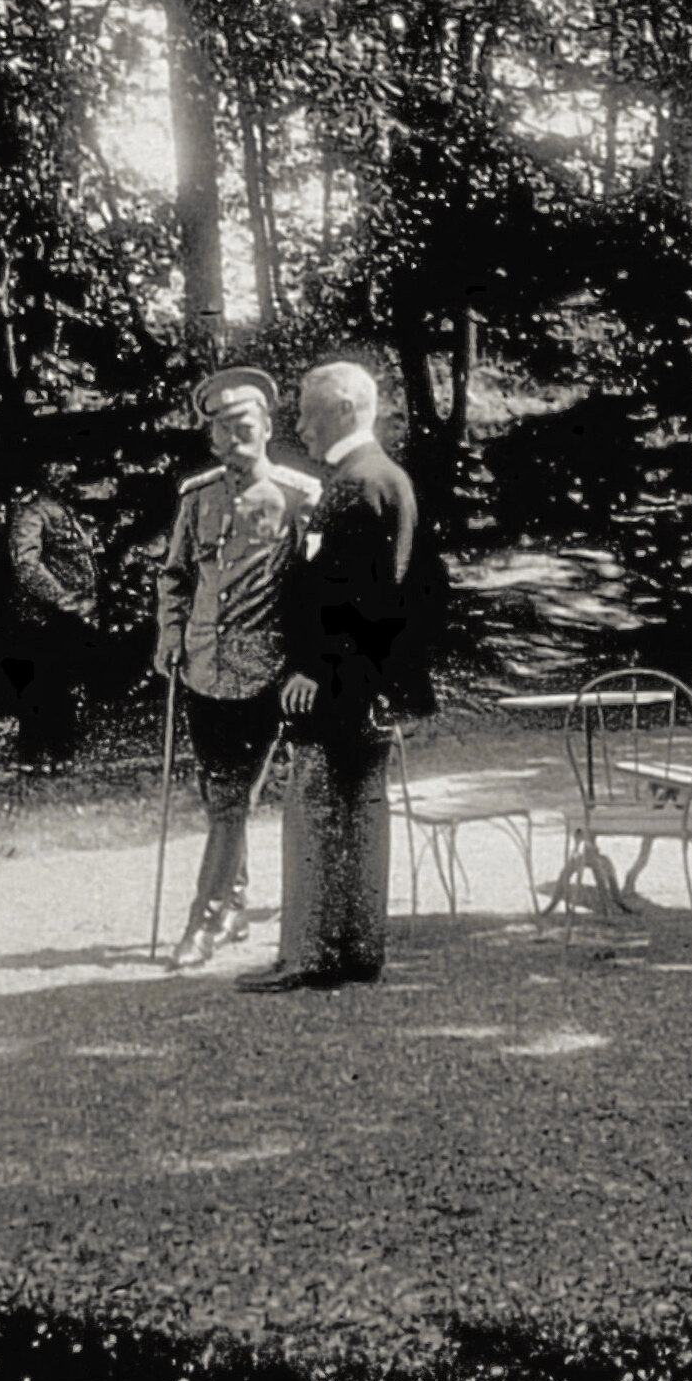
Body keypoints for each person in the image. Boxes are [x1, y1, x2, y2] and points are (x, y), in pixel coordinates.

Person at [242, 359, 437, 993]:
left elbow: (362, 599)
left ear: (346, 410)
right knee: (359, 816)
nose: (299, 425)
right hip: (365, 686)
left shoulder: (361, 484)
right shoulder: (379, 480)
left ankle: (310, 954)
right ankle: (355, 950)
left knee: (316, 814)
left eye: (309, 412)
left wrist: (315, 669)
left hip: (338, 690)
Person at [153, 366, 318, 963]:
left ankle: (206, 920)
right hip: (202, 669)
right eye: (219, 430)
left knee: (229, 799)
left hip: (262, 672)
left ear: (267, 426)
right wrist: (170, 633)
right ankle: (237, 904)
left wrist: (307, 662)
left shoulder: (299, 497)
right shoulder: (197, 498)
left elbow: (316, 592)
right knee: (220, 797)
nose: (230, 439)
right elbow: (175, 575)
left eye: (242, 426)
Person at [4, 474, 107, 769]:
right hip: (45, 616)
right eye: (59, 467)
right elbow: (27, 564)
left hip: (65, 615)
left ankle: (59, 753)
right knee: (43, 685)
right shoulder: (32, 510)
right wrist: (63, 599)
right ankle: (36, 754)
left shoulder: (61, 508)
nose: (68, 472)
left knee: (61, 684)